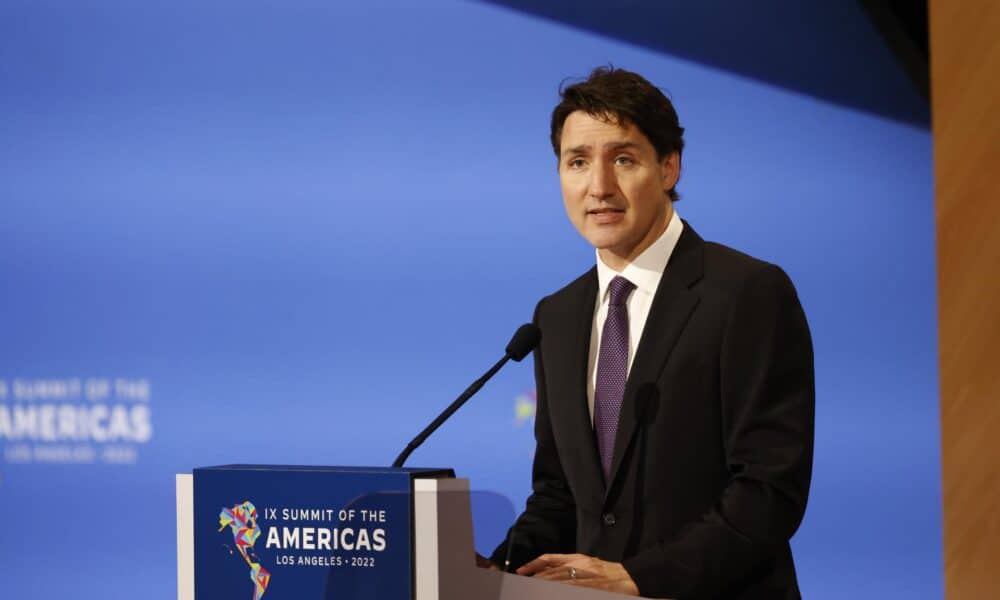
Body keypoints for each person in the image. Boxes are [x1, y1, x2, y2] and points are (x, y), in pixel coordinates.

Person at [484, 67, 815, 599]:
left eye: (623, 159)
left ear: (668, 167)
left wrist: (642, 577)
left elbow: (767, 493)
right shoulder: (558, 316)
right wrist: (496, 569)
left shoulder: (746, 293)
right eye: (577, 162)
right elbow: (558, 494)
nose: (599, 187)